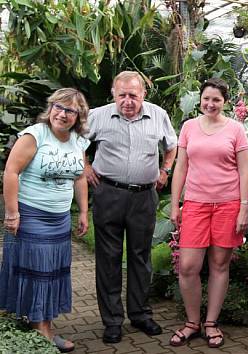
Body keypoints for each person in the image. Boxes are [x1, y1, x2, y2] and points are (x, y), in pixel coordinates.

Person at [84, 71, 177, 343]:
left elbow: (172, 146)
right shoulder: (98, 115)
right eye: (122, 95)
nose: (127, 101)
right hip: (108, 194)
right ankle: (112, 321)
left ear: (143, 95)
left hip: (144, 197)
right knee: (108, 259)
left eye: (133, 95)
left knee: (140, 257)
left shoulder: (158, 115)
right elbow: (76, 143)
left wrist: (166, 170)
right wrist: (86, 166)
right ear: (113, 93)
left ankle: (140, 315)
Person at [0, 88, 90, 353]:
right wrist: (12, 212)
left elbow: (80, 176)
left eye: (70, 110)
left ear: (78, 116)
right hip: (31, 217)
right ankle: (42, 331)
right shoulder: (34, 135)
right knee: (39, 274)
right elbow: (11, 172)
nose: (62, 114)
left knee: (52, 274)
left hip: (60, 219)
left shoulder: (78, 142)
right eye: (58, 108)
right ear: (50, 109)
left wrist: (83, 211)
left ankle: (38, 325)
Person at [168, 78, 248, 348]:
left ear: (224, 102)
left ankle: (211, 323)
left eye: (216, 99)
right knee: (188, 266)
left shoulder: (236, 129)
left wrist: (243, 208)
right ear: (200, 99)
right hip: (195, 204)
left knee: (219, 265)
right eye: (206, 99)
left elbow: (244, 171)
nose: (210, 104)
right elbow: (180, 166)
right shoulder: (189, 127)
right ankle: (192, 322)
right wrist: (174, 203)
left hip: (227, 204)